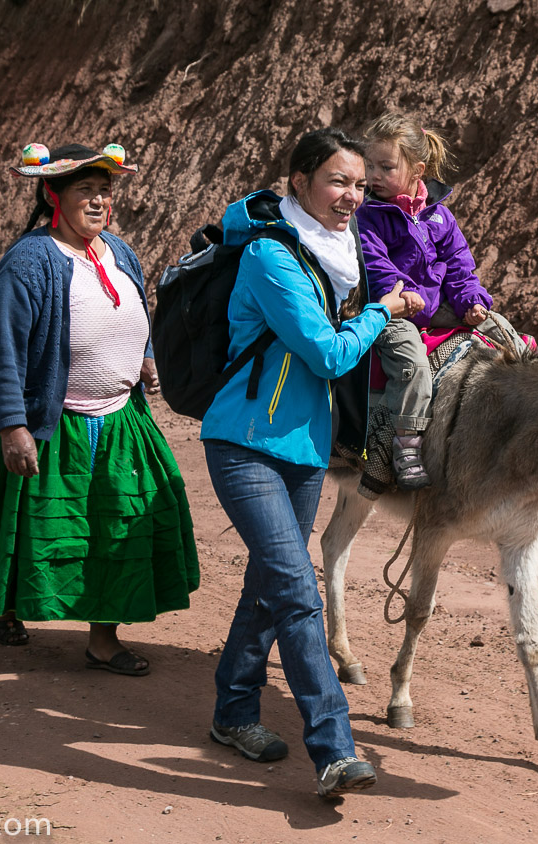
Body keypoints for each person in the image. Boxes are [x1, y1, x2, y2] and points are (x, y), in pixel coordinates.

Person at [199, 128, 417, 798]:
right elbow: (325, 353)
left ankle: (233, 714)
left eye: (358, 183)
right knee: (297, 590)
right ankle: (333, 747)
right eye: (336, 181)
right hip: (244, 446)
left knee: (268, 589)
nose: (351, 195)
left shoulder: (336, 257)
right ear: (298, 181)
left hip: (301, 453)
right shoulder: (272, 256)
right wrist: (382, 311)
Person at [0, 142, 199, 677]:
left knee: (114, 528)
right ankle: (5, 603)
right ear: (53, 194)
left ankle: (103, 641)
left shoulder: (119, 252)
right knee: (38, 528)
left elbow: (134, 312)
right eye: (87, 191)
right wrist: (13, 427)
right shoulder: (29, 262)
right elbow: (1, 352)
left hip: (120, 421)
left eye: (107, 190)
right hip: (49, 421)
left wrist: (146, 357)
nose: (101, 200)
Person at [356, 112, 523, 490]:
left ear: (417, 170)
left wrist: (470, 301)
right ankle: (404, 445)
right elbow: (375, 264)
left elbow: (460, 265)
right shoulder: (369, 215)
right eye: (370, 166)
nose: (373, 176)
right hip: (395, 308)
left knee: (501, 331)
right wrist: (402, 293)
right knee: (412, 363)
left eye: (385, 166)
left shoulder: (440, 216)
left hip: (434, 304)